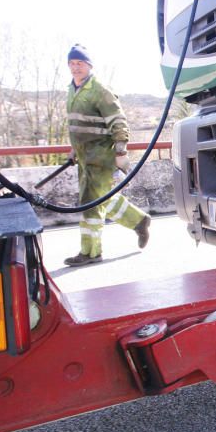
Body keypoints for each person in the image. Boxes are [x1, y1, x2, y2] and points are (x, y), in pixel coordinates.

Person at [63, 44, 151, 266]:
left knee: (90, 203)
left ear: (89, 65)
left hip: (101, 156)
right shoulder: (72, 89)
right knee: (103, 198)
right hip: (84, 157)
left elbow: (118, 122)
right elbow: (78, 125)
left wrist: (121, 151)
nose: (76, 68)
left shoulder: (100, 90)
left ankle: (91, 252)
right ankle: (139, 221)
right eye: (72, 64)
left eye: (80, 63)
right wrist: (74, 149)